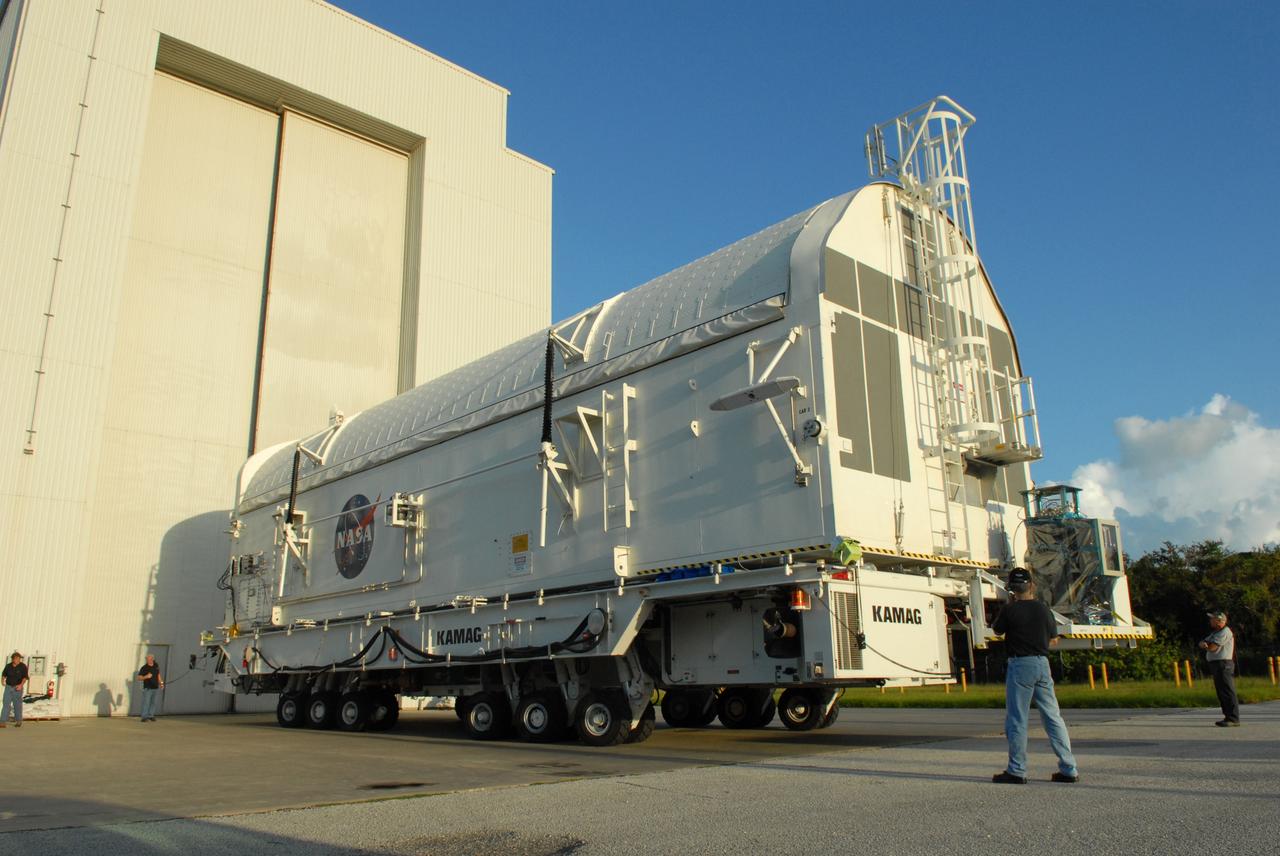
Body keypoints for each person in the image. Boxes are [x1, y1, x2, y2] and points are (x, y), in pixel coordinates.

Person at [991, 568, 1079, 784]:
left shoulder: (1010, 610)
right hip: (1042, 663)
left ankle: (1017, 770)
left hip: (1020, 664)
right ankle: (1069, 768)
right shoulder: (1043, 609)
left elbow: (997, 631)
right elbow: (1053, 638)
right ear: (1031, 585)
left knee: (1017, 719)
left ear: (1011, 589)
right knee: (1052, 717)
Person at [1199, 611, 1239, 727]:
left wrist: (1206, 644)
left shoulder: (1225, 632)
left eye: (1213, 619)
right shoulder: (1215, 633)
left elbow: (1212, 647)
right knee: (1221, 691)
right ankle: (1227, 716)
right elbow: (1202, 642)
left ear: (1220, 621)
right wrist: (1204, 644)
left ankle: (1233, 718)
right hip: (1216, 664)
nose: (1210, 621)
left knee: (1227, 690)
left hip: (1224, 664)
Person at [1, 652, 28, 728]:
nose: (18, 660)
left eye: (19, 659)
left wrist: (21, 685)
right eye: (16, 659)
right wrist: (2, 681)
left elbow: (25, 677)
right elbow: (4, 674)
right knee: (6, 704)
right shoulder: (8, 666)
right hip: (8, 687)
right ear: (13, 659)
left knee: (17, 705)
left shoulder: (23, 666)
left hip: (17, 688)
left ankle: (19, 721)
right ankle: (2, 722)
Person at [136, 654, 164, 722]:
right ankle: (144, 717)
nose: (148, 660)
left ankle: (151, 715)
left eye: (150, 659)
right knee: (146, 702)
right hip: (148, 688)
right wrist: (146, 677)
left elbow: (158, 675)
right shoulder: (144, 668)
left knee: (153, 702)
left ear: (152, 659)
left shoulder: (156, 666)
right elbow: (139, 678)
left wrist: (161, 683)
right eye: (147, 659)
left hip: (155, 687)